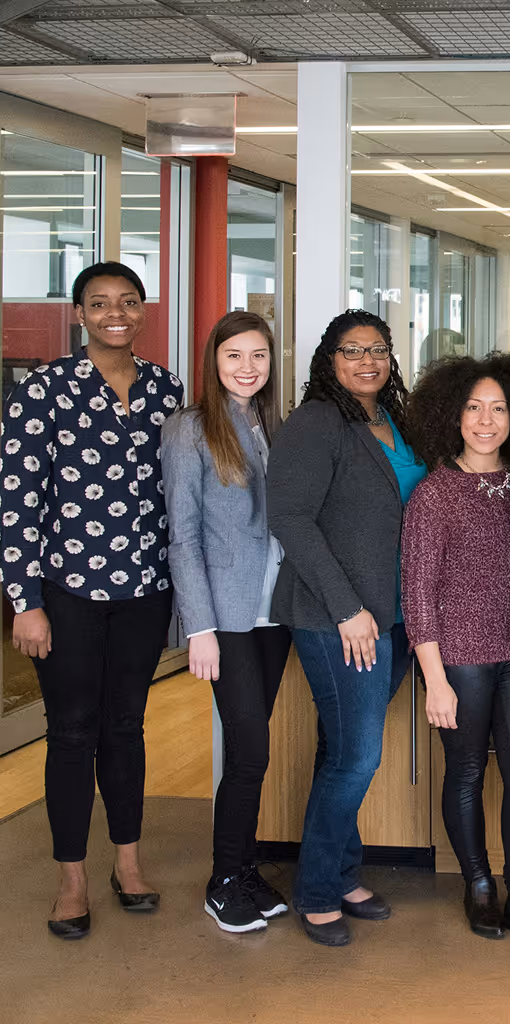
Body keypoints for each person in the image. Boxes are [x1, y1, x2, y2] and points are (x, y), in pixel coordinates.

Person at [2, 262, 184, 940]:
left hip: (144, 588)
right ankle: (72, 876)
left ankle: (128, 864)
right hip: (67, 590)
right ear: (79, 313)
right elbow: (16, 500)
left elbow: (176, 496)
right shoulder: (44, 389)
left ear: (142, 312)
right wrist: (25, 601)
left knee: (127, 727)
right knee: (73, 731)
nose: (116, 313)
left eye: (128, 302)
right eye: (100, 303)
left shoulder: (167, 389)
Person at [267, 309, 425, 947]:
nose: (368, 361)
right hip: (342, 619)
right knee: (357, 757)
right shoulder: (316, 423)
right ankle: (315, 890)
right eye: (352, 351)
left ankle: (339, 869)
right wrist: (346, 609)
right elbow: (291, 519)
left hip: (397, 615)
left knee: (342, 753)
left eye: (378, 350)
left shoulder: (394, 421)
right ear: (328, 360)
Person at [401, 352, 510, 946]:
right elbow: (417, 594)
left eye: (499, 409)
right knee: (466, 771)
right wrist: (434, 680)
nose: (487, 421)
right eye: (474, 408)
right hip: (459, 659)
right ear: (452, 415)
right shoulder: (434, 495)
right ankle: (479, 885)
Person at [164, 311, 291, 933]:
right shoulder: (189, 429)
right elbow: (182, 537)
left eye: (259, 356)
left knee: (252, 749)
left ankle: (242, 869)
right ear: (213, 361)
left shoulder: (273, 423)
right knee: (249, 752)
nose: (248, 367)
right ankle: (222, 880)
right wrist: (200, 628)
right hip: (229, 618)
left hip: (275, 613)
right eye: (235, 355)